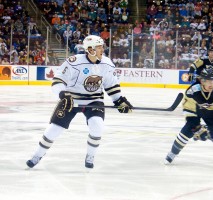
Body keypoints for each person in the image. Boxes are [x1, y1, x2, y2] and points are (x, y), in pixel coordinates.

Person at [26, 35, 133, 169]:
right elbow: (58, 81)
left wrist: (119, 100)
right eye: (99, 47)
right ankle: (37, 155)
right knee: (54, 129)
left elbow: (111, 85)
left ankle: (90, 156)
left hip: (94, 100)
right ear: (90, 49)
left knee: (97, 125)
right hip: (71, 99)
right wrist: (63, 94)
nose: (102, 50)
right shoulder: (74, 62)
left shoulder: (107, 63)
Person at [165, 68, 213, 164]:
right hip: (197, 112)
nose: (211, 84)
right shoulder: (192, 91)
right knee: (187, 132)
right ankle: (173, 153)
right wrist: (196, 127)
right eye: (209, 81)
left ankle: (206, 128)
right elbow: (188, 111)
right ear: (202, 81)